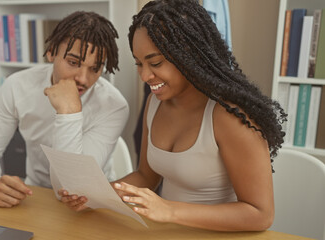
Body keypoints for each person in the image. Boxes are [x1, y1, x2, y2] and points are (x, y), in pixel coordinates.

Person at [58, 0, 287, 232]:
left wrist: (169, 210)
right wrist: (95, 196)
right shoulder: (155, 102)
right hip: (165, 233)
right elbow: (147, 176)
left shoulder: (230, 116)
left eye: (155, 62)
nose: (145, 75)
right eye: (139, 64)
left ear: (188, 54)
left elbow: (260, 214)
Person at [0, 11, 129, 208]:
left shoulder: (113, 105)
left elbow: (71, 187)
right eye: (73, 62)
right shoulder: (17, 86)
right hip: (35, 195)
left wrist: (68, 112)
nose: (83, 79)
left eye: (95, 69)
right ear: (52, 51)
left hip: (88, 203)